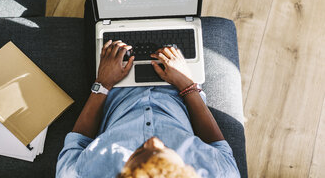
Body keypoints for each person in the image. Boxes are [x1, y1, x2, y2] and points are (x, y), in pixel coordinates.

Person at [56, 40, 240, 177]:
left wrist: (102, 84)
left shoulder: (79, 174)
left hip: (115, 87)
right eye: (166, 148)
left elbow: (77, 142)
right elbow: (217, 145)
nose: (153, 141)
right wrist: (187, 84)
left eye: (138, 151)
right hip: (177, 89)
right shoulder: (220, 173)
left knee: (101, 12)